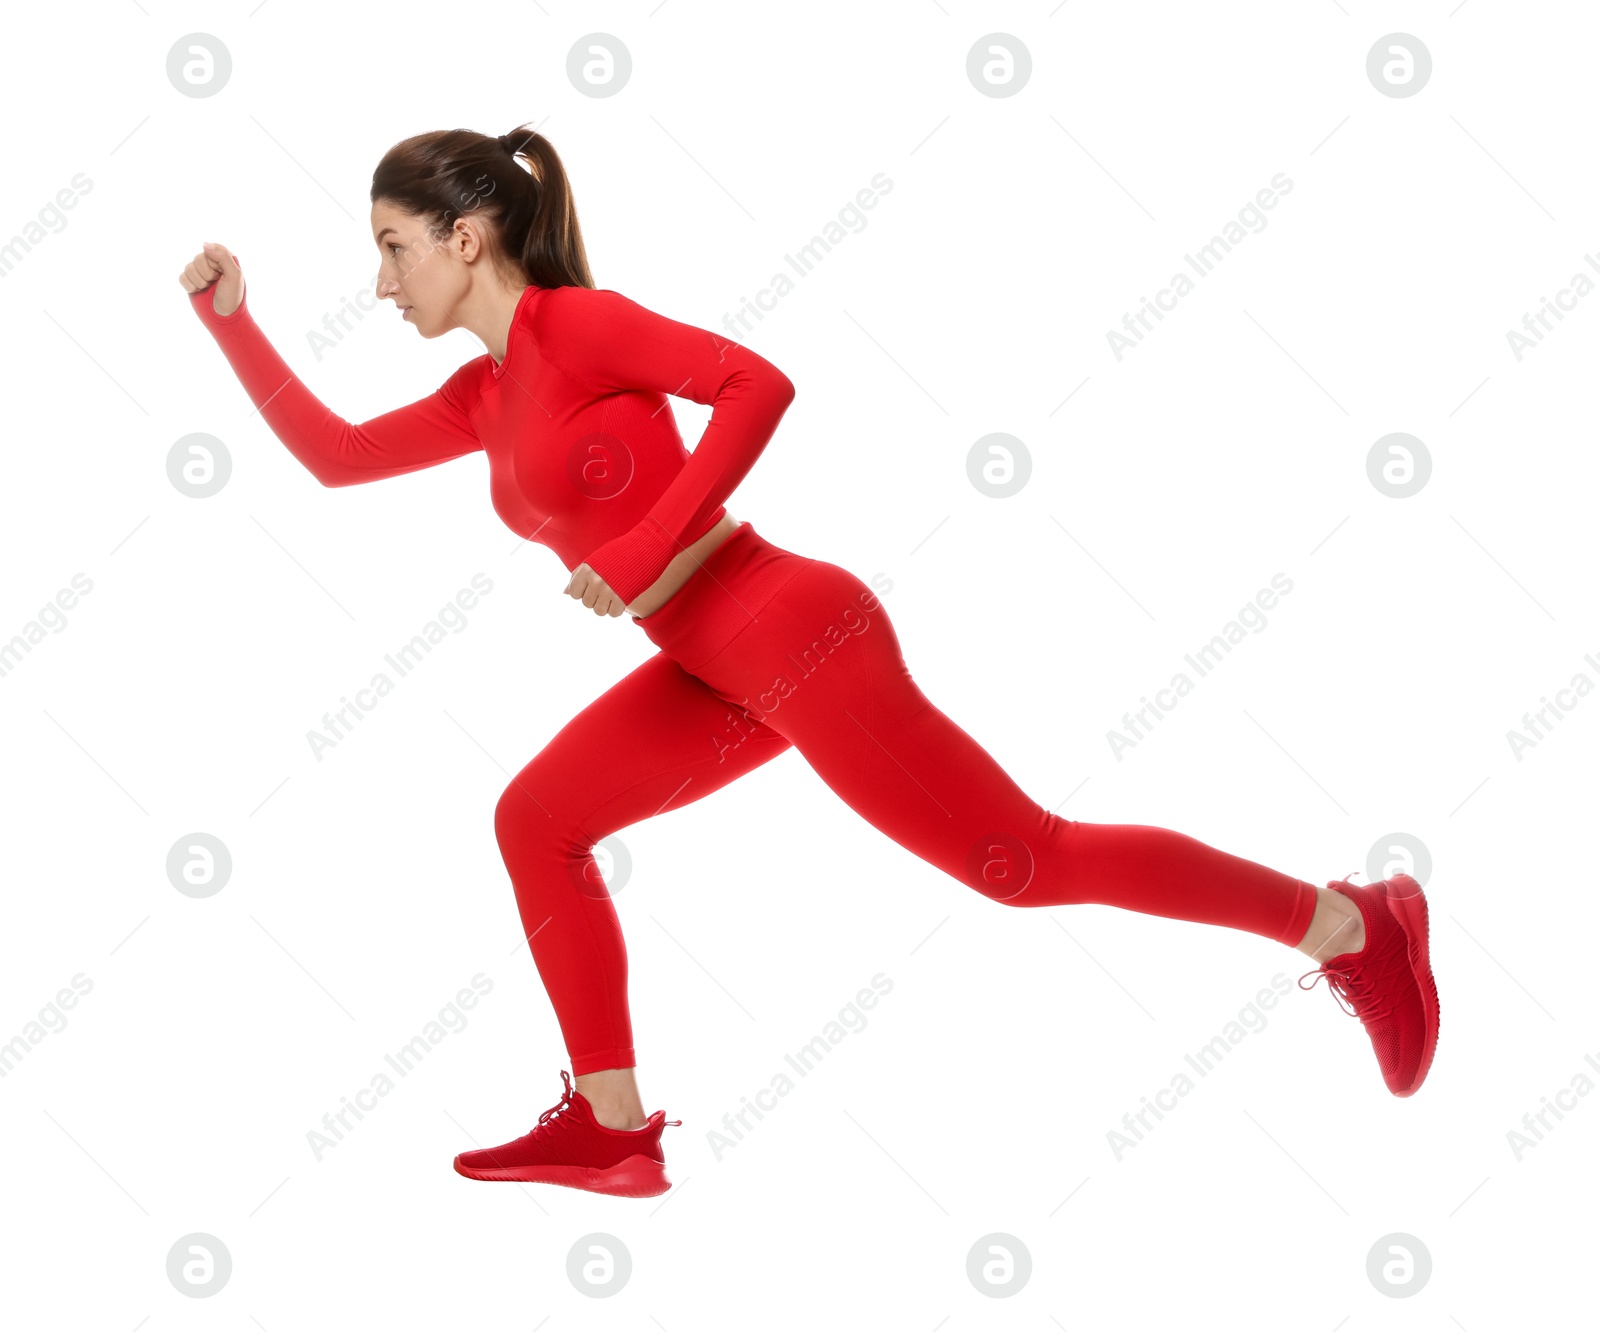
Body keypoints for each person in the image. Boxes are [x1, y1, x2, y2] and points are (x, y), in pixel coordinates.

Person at [178, 125, 1440, 1199]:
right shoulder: (483, 394)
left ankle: (1348, 925)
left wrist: (640, 545)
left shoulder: (580, 326)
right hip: (713, 666)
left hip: (794, 629)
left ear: (467, 237)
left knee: (1021, 861)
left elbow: (758, 384)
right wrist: (231, 323)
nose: (383, 282)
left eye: (393, 247)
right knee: (537, 821)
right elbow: (337, 456)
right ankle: (614, 1130)